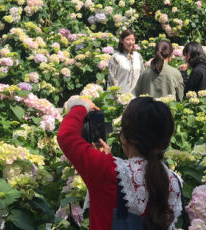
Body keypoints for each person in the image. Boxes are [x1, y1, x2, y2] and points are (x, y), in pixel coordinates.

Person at [57, 96, 183, 230]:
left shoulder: (106, 170)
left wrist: (80, 106)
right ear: (166, 140)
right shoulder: (174, 181)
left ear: (124, 136)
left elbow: (67, 136)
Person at [108, 30, 144, 94]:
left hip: (136, 97)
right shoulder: (115, 58)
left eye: (133, 39)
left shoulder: (138, 56)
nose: (131, 42)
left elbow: (143, 76)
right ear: (121, 40)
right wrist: (116, 96)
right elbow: (111, 79)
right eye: (128, 39)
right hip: (119, 97)